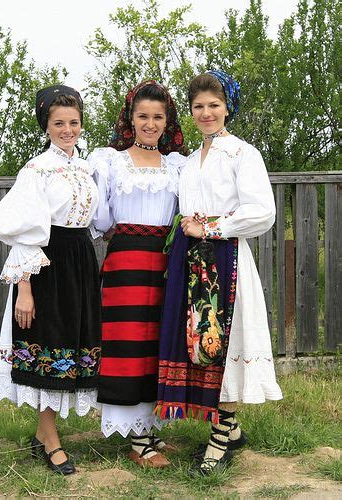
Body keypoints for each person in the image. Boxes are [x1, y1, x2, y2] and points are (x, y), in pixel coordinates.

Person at [155, 70, 283, 474]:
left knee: (221, 344)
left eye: (214, 105)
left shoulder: (243, 154)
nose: (206, 113)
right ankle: (231, 429)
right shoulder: (191, 161)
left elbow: (262, 212)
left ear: (228, 107)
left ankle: (219, 439)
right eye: (198, 106)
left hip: (224, 259)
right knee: (199, 345)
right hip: (191, 260)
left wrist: (211, 226)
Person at [0, 85, 101, 475]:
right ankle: (50, 438)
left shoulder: (86, 168)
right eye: (58, 123)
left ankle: (43, 433)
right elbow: (22, 231)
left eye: (73, 122)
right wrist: (24, 288)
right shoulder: (35, 170)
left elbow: (94, 221)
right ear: (46, 126)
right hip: (49, 265)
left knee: (71, 346)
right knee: (48, 346)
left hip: (81, 262)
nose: (67, 130)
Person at [89, 80, 186, 468]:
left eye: (158, 117)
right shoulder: (110, 162)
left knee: (159, 342)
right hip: (126, 258)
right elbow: (101, 219)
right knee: (128, 342)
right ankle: (136, 437)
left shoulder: (176, 165)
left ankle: (151, 427)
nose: (150, 123)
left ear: (167, 121)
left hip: (165, 259)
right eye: (143, 115)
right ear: (130, 118)